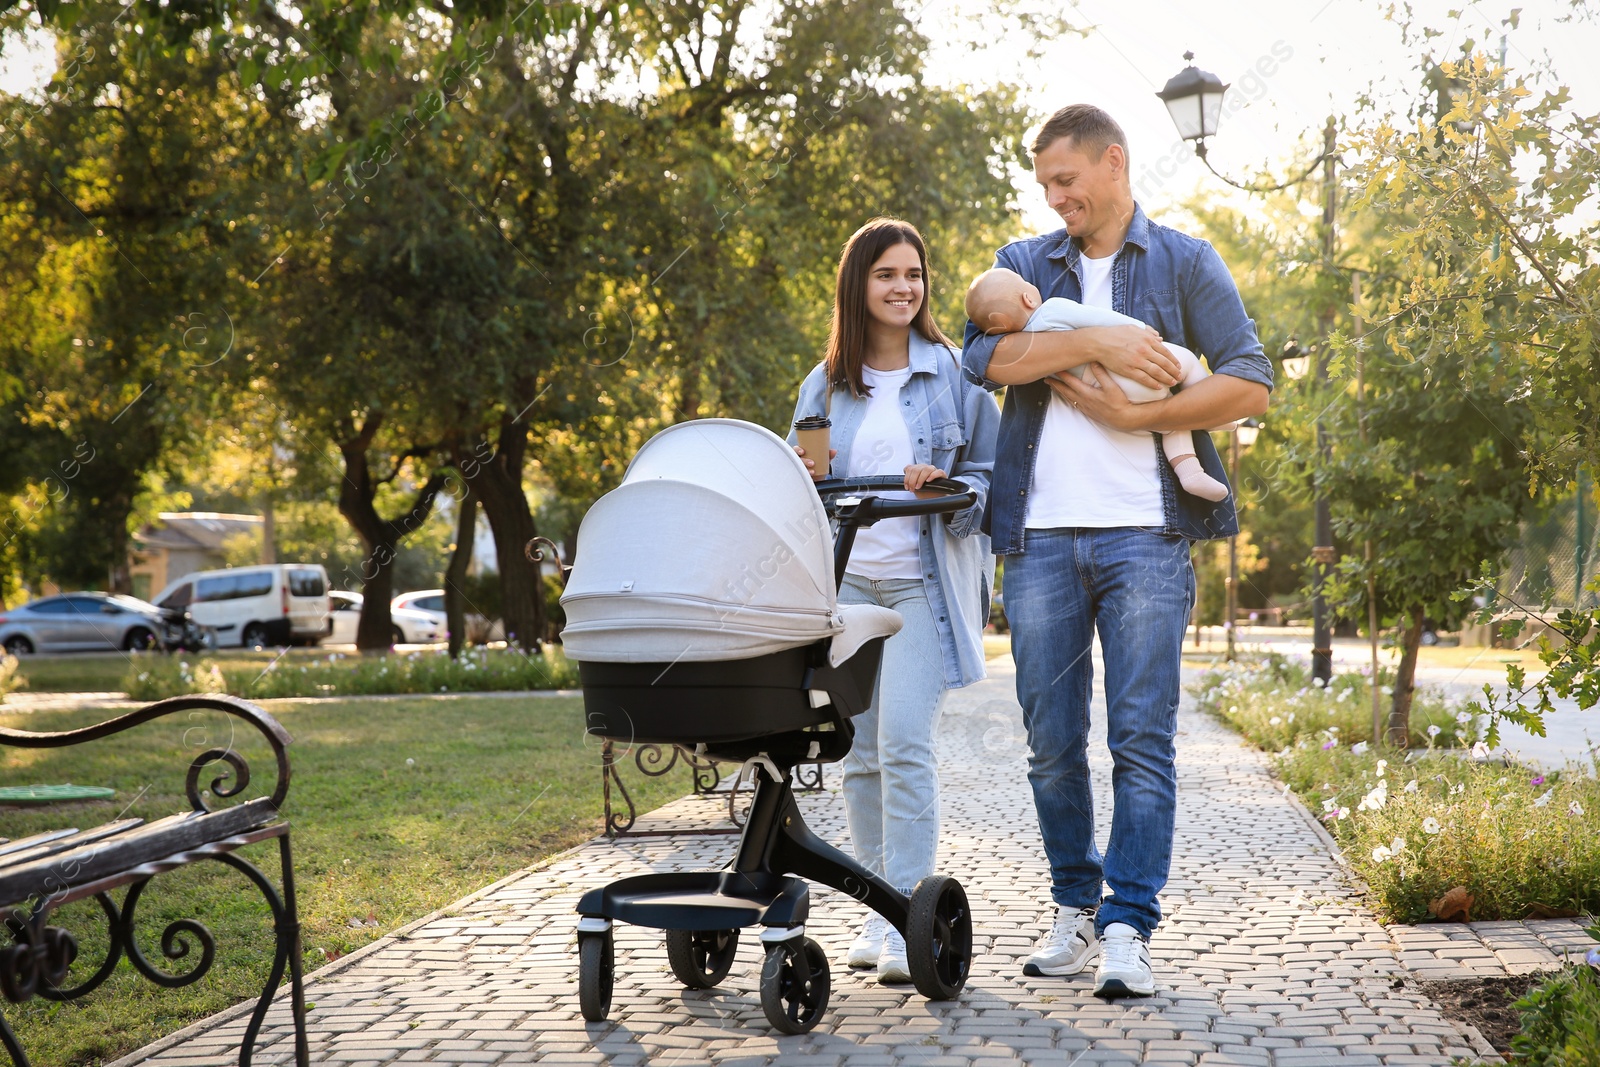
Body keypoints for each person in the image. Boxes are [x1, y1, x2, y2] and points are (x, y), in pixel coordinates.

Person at [960, 105, 1273, 997]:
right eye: (1045, 186)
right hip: (1043, 539)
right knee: (1051, 742)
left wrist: (1140, 417)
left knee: (1142, 739)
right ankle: (1072, 902)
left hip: (1149, 532)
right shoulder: (1024, 263)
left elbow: (1248, 383)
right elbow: (984, 357)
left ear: (1113, 162)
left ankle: (1129, 920)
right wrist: (1095, 337)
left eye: (1067, 181)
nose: (1057, 199)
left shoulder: (1183, 260)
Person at [789, 217, 999, 984]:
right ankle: (875, 914)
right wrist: (811, 479)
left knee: (904, 742)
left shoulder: (952, 372)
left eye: (914, 273)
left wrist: (942, 488)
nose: (904, 286)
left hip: (918, 585)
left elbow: (989, 475)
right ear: (859, 285)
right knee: (862, 755)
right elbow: (800, 487)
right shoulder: (823, 384)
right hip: (846, 587)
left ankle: (909, 909)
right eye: (887, 274)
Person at [965, 267, 1231, 501]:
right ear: (1029, 297)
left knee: (1168, 424)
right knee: (1184, 363)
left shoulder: (1026, 345)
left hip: (1104, 392)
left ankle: (1190, 473)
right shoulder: (1052, 308)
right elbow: (1097, 320)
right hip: (1132, 370)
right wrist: (1138, 328)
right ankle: (1211, 412)